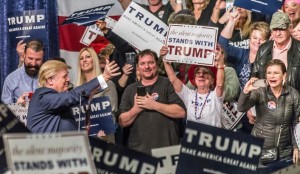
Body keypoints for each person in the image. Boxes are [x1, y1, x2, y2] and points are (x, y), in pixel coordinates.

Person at [118, 49, 186, 154]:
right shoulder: (130, 89)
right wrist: (136, 108)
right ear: (138, 67)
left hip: (167, 151)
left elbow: (181, 112)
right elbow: (122, 122)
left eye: (151, 62)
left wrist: (154, 105)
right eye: (143, 63)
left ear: (157, 65)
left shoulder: (167, 84)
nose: (147, 67)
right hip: (138, 152)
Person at [237, 59, 299, 173]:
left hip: (285, 151)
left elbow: (296, 122)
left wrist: (297, 147)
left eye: (276, 73)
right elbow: (241, 108)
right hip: (261, 150)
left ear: (284, 75)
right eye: (269, 73)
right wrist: (245, 92)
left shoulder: (293, 94)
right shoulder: (260, 91)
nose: (272, 76)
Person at [26, 59, 120, 133]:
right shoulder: (42, 97)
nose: (68, 79)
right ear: (50, 80)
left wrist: (104, 80)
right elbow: (74, 96)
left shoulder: (55, 98)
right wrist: (103, 77)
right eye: (64, 76)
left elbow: (81, 94)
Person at [161, 45, 225, 127]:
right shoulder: (188, 94)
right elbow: (173, 79)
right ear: (194, 80)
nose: (201, 75)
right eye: (198, 73)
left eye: (205, 73)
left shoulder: (215, 96)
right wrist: (165, 60)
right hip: (192, 138)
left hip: (212, 138)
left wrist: (221, 65)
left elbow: (220, 85)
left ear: (212, 80)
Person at [76, 47, 119, 143]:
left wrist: (104, 131)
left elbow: (111, 112)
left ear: (94, 60)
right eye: (81, 58)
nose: (84, 60)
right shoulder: (77, 88)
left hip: (103, 138)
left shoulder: (107, 84)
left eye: (88, 57)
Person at [219, 12, 271, 89]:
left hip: (258, 97)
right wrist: (231, 22)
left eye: (262, 39)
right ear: (249, 39)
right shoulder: (241, 53)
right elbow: (222, 45)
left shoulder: (270, 58)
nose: (257, 42)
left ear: (268, 41)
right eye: (255, 38)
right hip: (237, 97)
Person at [252, 11, 300, 92]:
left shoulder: (298, 49)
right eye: (275, 29)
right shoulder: (263, 49)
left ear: (290, 28)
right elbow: (254, 79)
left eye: (281, 29)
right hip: (267, 100)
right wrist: (268, 83)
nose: (278, 33)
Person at [1, 39, 44, 105]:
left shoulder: (48, 77)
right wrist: (17, 107)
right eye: (30, 58)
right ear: (24, 56)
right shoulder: (11, 79)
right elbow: (5, 111)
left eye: (38, 59)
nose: (33, 63)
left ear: (42, 58)